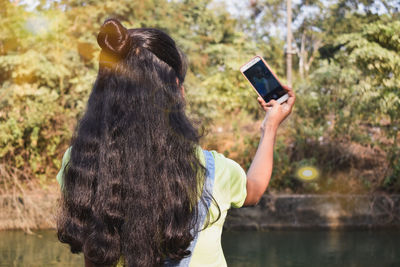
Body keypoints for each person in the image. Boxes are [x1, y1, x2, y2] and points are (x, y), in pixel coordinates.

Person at [56, 18, 295, 267]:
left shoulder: (80, 161)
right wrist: (270, 126)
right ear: (176, 90)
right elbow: (254, 190)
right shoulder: (214, 170)